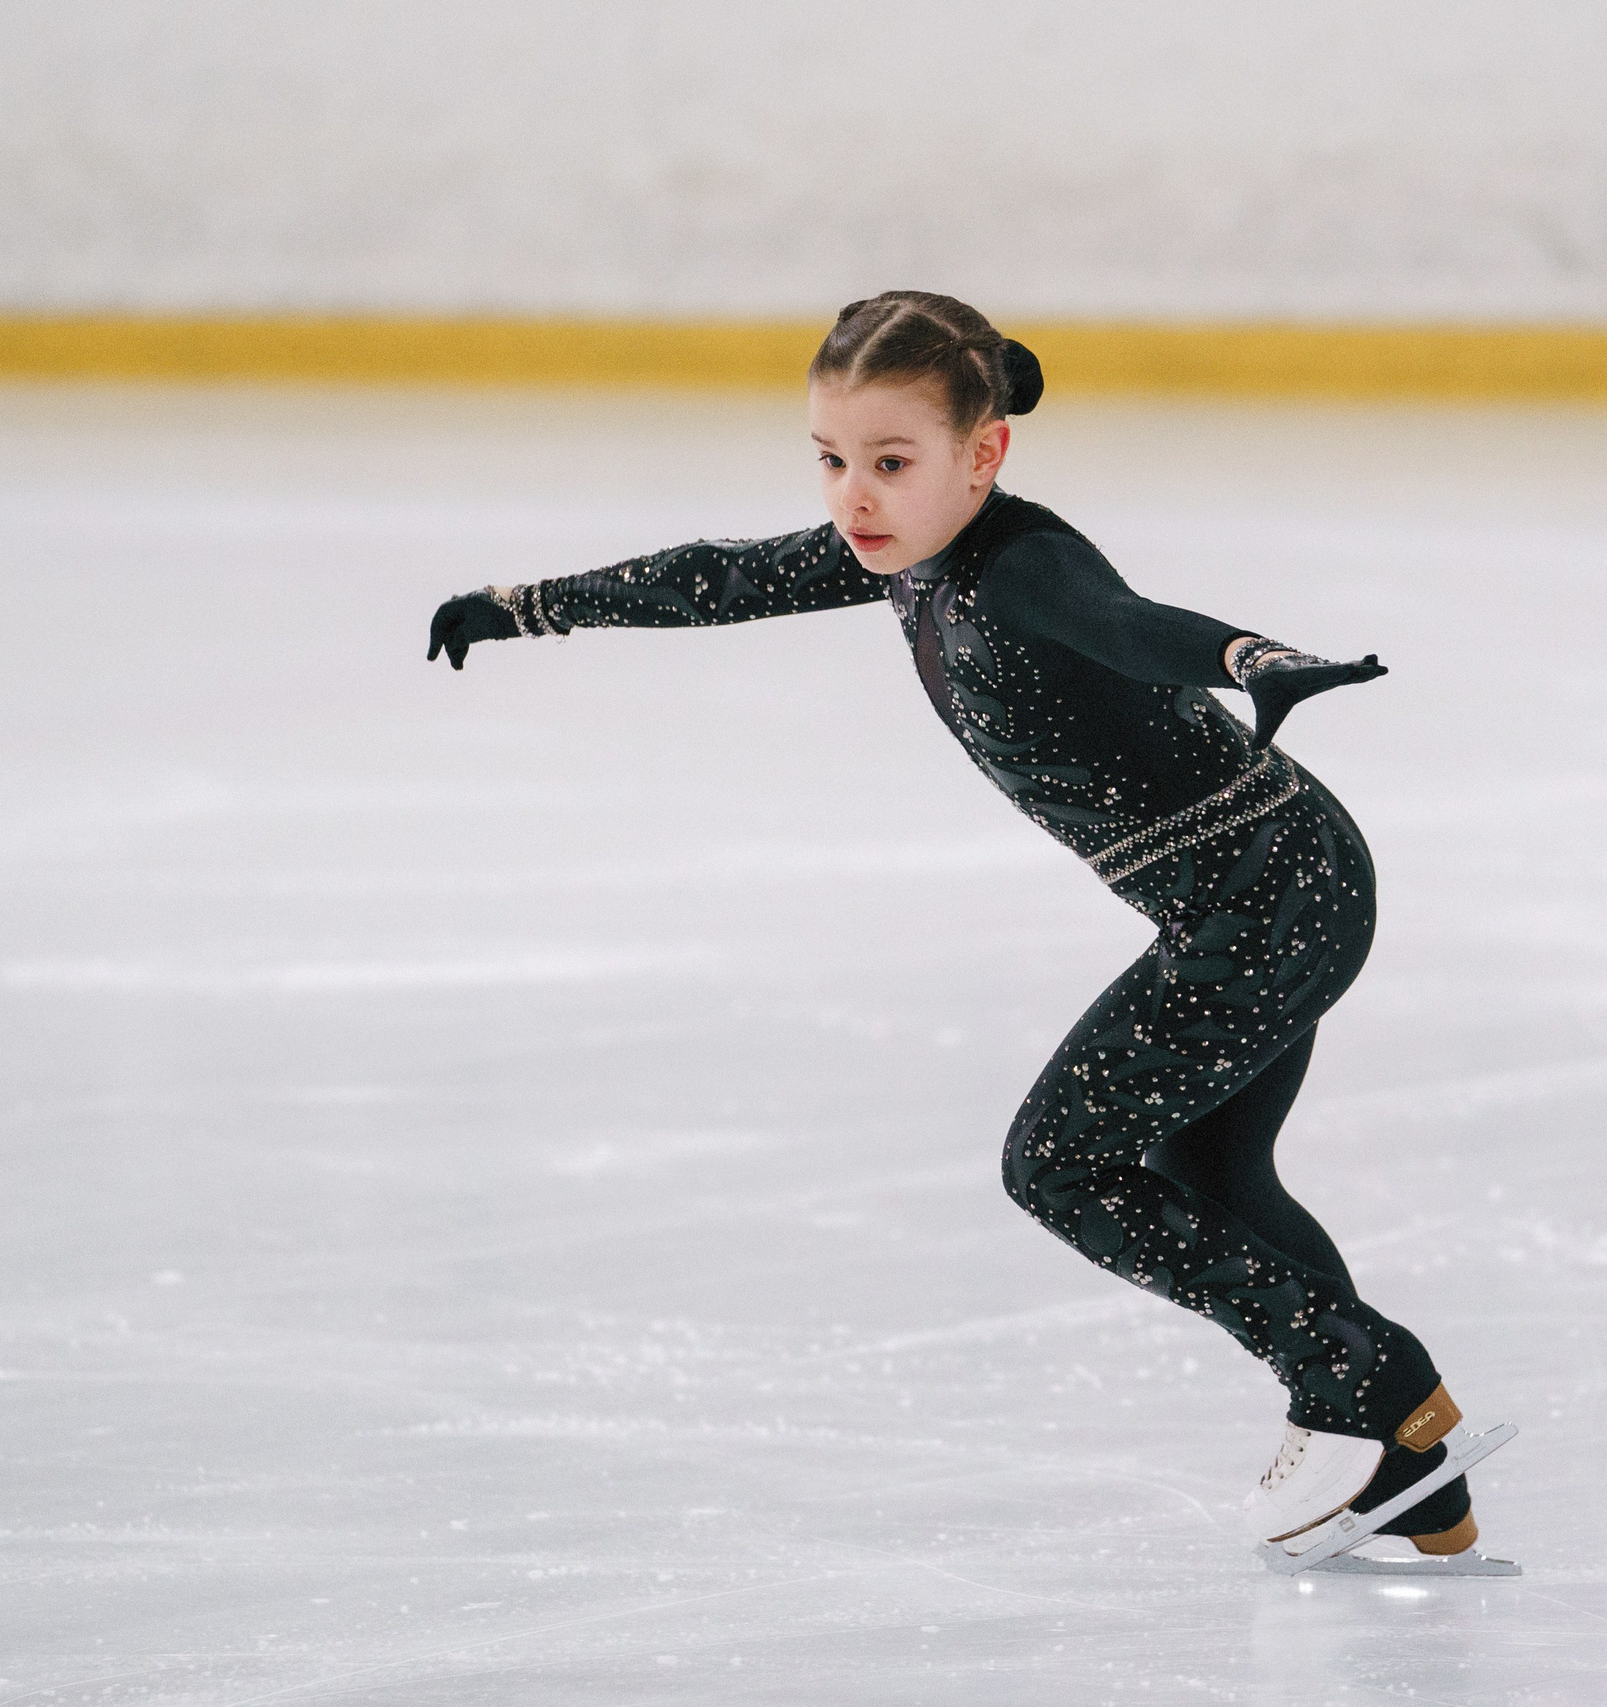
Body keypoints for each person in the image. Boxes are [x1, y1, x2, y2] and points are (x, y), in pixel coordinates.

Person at [425, 290, 1484, 1560]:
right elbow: (721, 576)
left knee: (1059, 1167)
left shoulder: (1022, 563)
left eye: (890, 462)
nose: (852, 498)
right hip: (1266, 884)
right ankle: (1408, 1466)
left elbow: (1128, 629)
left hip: (1265, 896)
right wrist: (527, 602)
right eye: (831, 461)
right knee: (1210, 1174)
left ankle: (1361, 1381)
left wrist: (1253, 658)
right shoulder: (898, 549)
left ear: (984, 455)